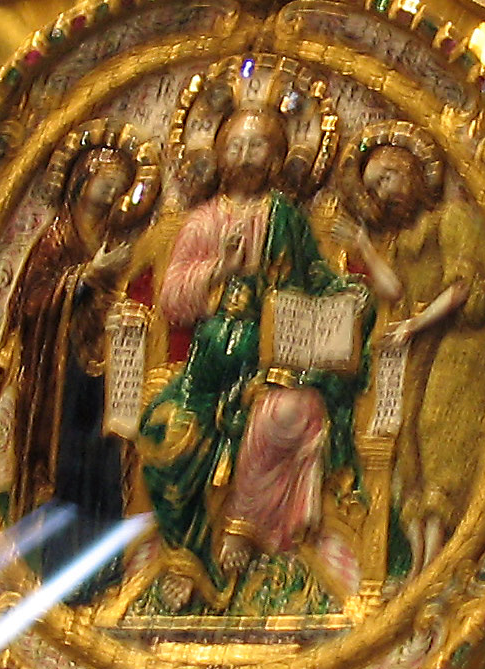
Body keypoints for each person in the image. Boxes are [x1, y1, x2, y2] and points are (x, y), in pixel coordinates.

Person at [137, 102, 370, 611]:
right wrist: (218, 271)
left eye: (258, 145)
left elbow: (316, 279)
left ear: (277, 158)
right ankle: (187, 561)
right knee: (164, 431)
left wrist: (348, 297)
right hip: (209, 365)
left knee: (283, 415)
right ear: (220, 154)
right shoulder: (202, 222)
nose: (246, 156)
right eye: (236, 145)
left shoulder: (287, 218)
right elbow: (171, 300)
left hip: (273, 359)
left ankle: (247, 535)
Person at [336, 130, 485, 575]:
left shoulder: (452, 218)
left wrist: (415, 323)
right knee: (406, 441)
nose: (384, 193)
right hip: (418, 348)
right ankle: (418, 566)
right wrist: (364, 248)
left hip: (459, 343)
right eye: (375, 188)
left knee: (436, 430)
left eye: (387, 178)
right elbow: (394, 290)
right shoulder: (401, 239)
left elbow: (462, 287)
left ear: (411, 172)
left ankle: (439, 557)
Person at [0, 134, 149, 582]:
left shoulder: (112, 235)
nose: (112, 191)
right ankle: (61, 565)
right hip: (59, 374)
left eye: (119, 184)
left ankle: (105, 566)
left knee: (105, 460)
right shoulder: (56, 239)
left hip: (104, 368)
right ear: (81, 180)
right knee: (68, 466)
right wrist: (86, 277)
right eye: (105, 181)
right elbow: (29, 304)